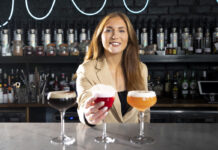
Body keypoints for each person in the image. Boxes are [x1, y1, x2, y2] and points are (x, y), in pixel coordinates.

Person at [76, 12, 149, 125]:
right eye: (109, 30)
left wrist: (144, 134)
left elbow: (145, 111)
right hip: (102, 139)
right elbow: (84, 102)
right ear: (100, 36)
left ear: (129, 37)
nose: (115, 36)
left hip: (133, 140)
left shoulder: (141, 69)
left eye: (121, 30)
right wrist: (87, 116)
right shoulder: (87, 70)